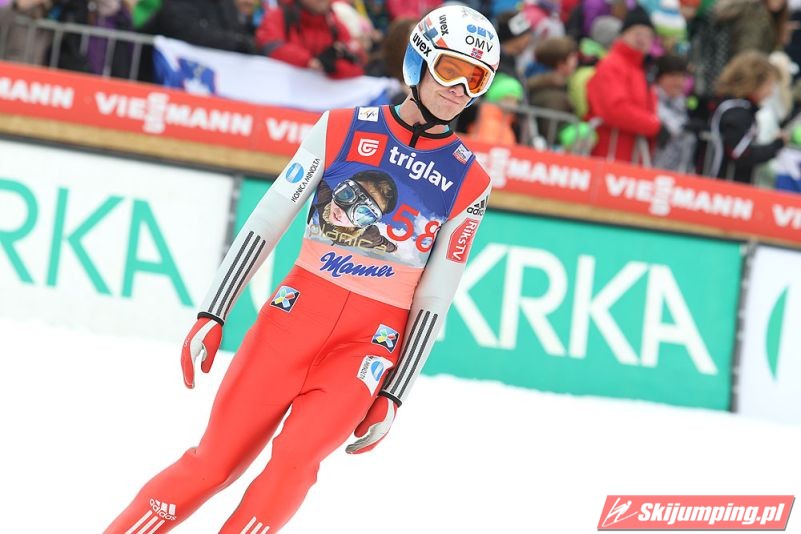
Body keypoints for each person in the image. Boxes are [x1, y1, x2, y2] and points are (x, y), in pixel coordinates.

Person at [104, 5, 498, 533]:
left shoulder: (471, 181)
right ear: (418, 63)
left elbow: (436, 295)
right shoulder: (340, 127)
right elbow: (268, 221)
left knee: (295, 464)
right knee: (213, 464)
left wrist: (395, 392)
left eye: (477, 79)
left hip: (366, 348)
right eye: (450, 70)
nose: (459, 89)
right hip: (290, 323)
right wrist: (213, 312)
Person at [586, 5, 662, 163]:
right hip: (608, 155)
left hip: (630, 157)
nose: (642, 39)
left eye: (648, 35)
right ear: (623, 34)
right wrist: (653, 125)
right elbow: (614, 109)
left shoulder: (642, 70)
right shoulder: (612, 65)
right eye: (637, 33)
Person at [709, 50, 786, 183]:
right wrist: (775, 145)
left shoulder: (740, 108)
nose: (770, 92)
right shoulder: (737, 112)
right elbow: (741, 154)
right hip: (721, 187)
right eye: (769, 85)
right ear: (754, 83)